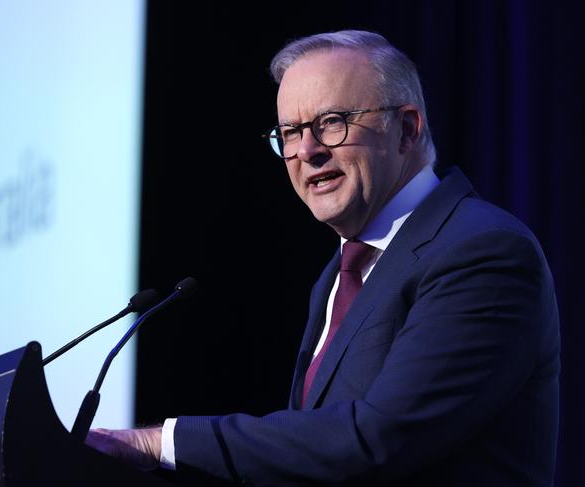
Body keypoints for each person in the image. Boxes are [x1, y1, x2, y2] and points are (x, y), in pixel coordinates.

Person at [86, 30, 560, 486]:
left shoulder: (482, 252)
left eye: (332, 123)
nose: (307, 151)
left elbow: (377, 439)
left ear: (407, 129)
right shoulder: (340, 273)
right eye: (290, 132)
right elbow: (311, 459)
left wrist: (160, 444)